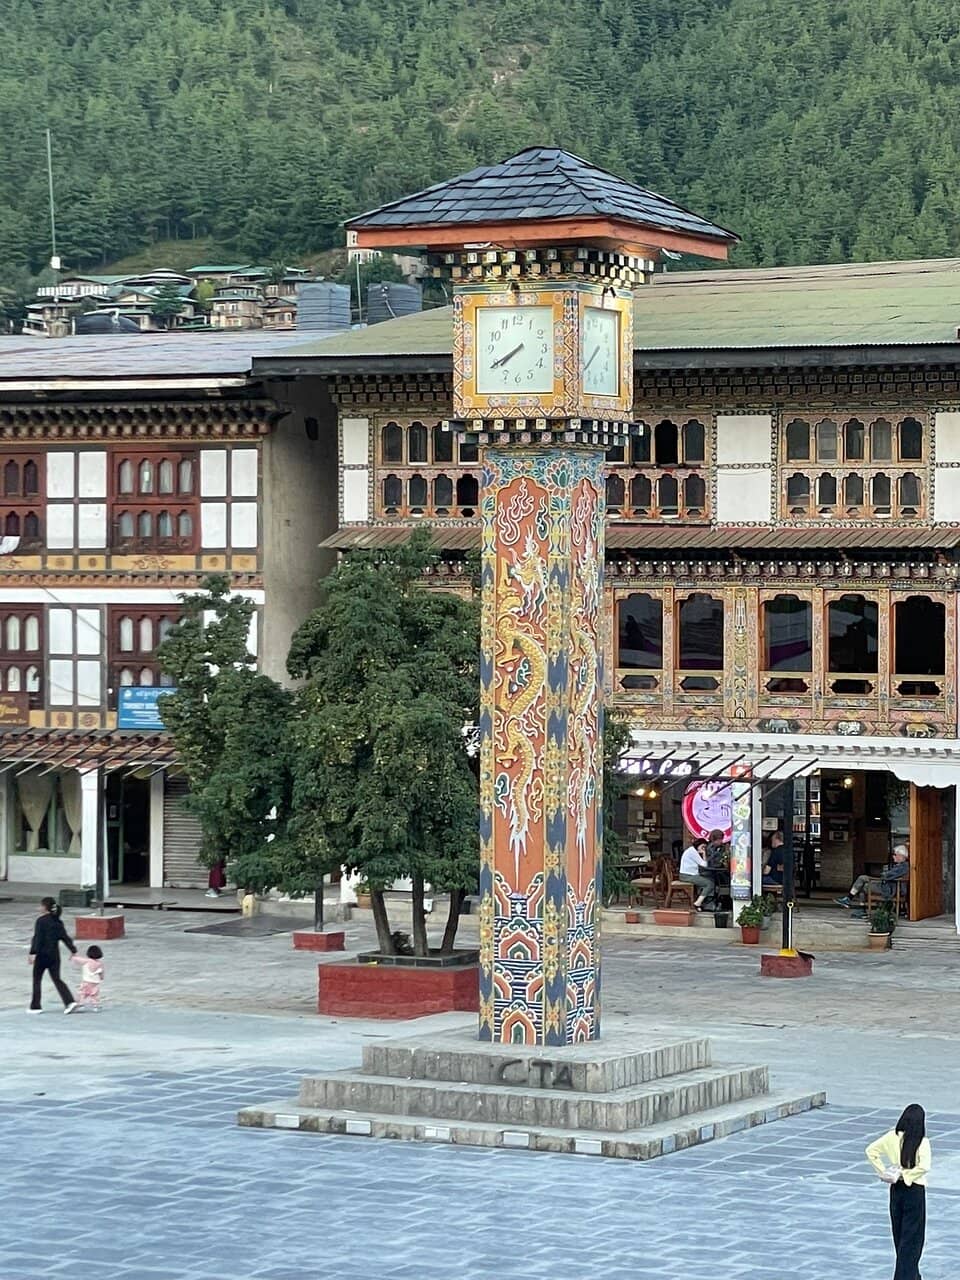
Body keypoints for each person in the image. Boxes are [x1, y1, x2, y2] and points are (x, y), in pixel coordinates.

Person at [866, 1103, 930, 1280]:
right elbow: (925, 1165)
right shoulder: (922, 1142)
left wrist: (884, 1172)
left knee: (900, 1236)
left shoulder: (891, 1137)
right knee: (913, 1240)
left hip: (896, 1190)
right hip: (914, 1190)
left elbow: (871, 1151)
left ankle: (914, 1276)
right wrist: (907, 1174)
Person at [28, 897, 78, 1014]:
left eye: (41, 906)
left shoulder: (41, 921)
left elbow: (37, 938)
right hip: (54, 956)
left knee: (37, 980)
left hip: (42, 955)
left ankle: (36, 1006)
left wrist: (32, 953)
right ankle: (69, 1002)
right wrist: (73, 950)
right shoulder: (58, 922)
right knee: (57, 979)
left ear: (45, 907)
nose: (39, 908)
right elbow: (65, 937)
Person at [835, 846, 909, 918]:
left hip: (890, 889)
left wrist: (884, 873)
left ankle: (856, 905)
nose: (893, 856)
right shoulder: (901, 866)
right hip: (888, 886)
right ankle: (853, 903)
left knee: (863, 883)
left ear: (901, 856)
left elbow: (887, 875)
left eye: (895, 854)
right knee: (862, 880)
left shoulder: (903, 866)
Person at [679, 837, 714, 910]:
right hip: (687, 876)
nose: (703, 849)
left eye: (704, 847)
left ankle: (704, 901)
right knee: (709, 883)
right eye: (702, 847)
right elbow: (704, 864)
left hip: (689, 874)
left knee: (708, 879)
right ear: (698, 845)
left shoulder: (692, 850)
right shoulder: (692, 852)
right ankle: (698, 903)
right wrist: (704, 853)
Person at [69, 944, 105, 1011]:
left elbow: (78, 960)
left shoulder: (87, 961)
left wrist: (73, 956)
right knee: (94, 994)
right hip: (95, 982)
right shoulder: (100, 964)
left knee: (83, 993)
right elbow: (102, 973)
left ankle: (81, 1005)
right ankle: (96, 1006)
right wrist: (101, 977)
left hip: (86, 981)